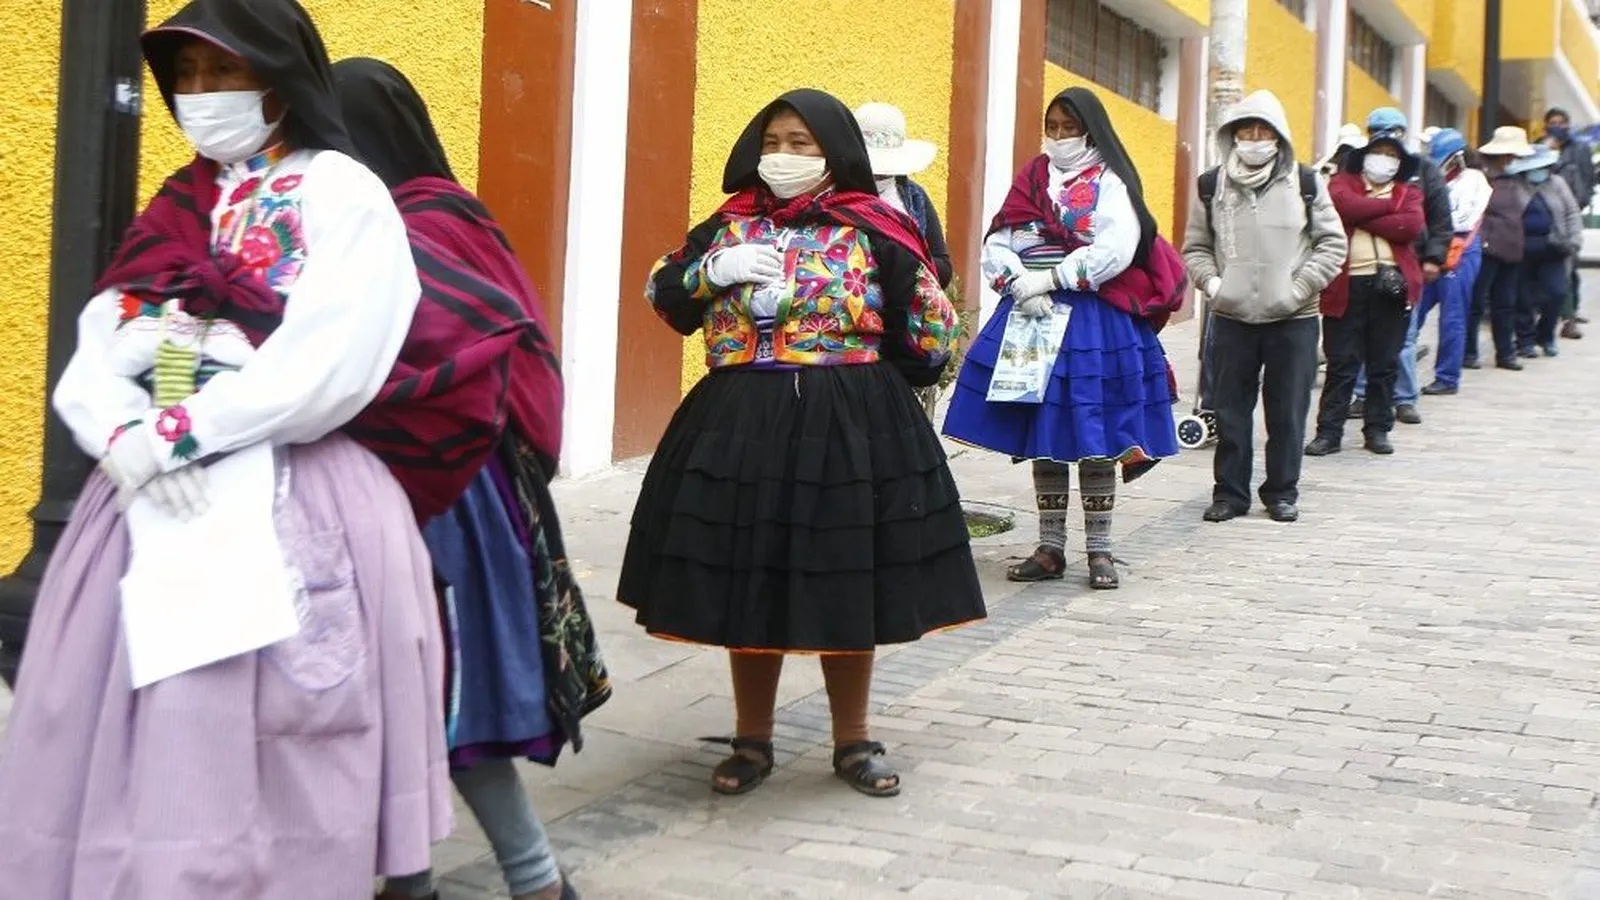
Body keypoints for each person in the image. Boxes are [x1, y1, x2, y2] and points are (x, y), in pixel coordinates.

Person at [0, 1, 481, 896]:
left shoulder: (341, 192)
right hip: (147, 494)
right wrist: (117, 430)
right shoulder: (182, 200)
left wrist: (182, 431)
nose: (201, 93)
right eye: (185, 75)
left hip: (300, 487)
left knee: (286, 718)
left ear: (280, 79)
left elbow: (330, 360)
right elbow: (100, 334)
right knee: (140, 707)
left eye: (224, 71)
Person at [619, 89, 985, 800]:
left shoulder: (875, 226)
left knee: (845, 574)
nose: (783, 156)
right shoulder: (727, 226)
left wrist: (868, 379)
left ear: (835, 152)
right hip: (741, 423)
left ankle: (853, 740)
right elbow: (665, 296)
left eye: (801, 144)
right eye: (773, 142)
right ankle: (751, 739)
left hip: (847, 424)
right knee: (748, 574)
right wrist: (710, 273)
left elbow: (931, 328)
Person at [334, 58, 598, 900]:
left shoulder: (423, 225)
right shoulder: (424, 216)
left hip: (448, 488)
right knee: (391, 695)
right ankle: (411, 884)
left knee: (441, 690)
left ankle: (534, 882)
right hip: (411, 484)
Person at [943, 86, 1184, 587]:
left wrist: (1052, 278)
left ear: (1090, 131)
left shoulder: (1110, 181)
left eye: (1068, 128)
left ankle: (1100, 551)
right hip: (1032, 317)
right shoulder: (1032, 177)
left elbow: (1117, 247)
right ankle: (1050, 547)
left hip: (1092, 317)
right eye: (1051, 127)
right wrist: (1016, 281)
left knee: (1096, 431)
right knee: (1046, 431)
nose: (1058, 136)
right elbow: (999, 238)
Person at [1181, 90, 1347, 524]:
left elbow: (1332, 244)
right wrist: (1214, 285)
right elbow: (1196, 248)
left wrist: (1299, 288)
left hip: (1294, 317)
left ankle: (1282, 491)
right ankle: (1229, 494)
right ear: (1233, 136)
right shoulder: (1211, 186)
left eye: (1263, 131)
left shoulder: (1306, 183)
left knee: (1287, 412)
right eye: (1247, 131)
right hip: (1232, 317)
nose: (1255, 140)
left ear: (1279, 137)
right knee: (1230, 413)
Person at [1306, 125, 1427, 457]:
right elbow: (1342, 206)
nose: (1384, 159)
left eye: (1391, 155)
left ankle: (1377, 429)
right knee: (1341, 362)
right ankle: (1329, 432)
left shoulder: (1408, 192)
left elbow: (1410, 226)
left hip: (1392, 287)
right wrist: (1387, 208)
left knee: (1384, 363)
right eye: (1379, 152)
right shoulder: (1342, 183)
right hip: (1347, 286)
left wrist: (1361, 215)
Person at [1348, 109, 1452, 427]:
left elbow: (1440, 218)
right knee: (1363, 335)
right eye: (1378, 131)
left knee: (1404, 337)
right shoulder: (1355, 168)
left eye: (1394, 131)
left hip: (1407, 262)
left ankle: (1404, 398)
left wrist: (1434, 257)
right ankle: (1363, 394)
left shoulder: (1423, 169)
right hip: (1362, 265)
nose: (1386, 138)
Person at [1412, 128, 1490, 396]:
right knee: (1413, 311)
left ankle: (1447, 377)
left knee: (1452, 317)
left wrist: (1431, 217)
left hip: (1460, 251)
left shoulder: (1474, 180)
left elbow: (1461, 220)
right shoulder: (1435, 178)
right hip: (1433, 248)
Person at [855, 102, 952, 287]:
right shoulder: (837, 197)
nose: (879, 174)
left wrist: (905, 262)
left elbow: (943, 268)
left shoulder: (914, 197)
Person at [1470, 126, 1539, 371]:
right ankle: (1469, 352)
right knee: (1476, 303)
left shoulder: (1519, 180)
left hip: (1511, 248)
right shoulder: (1481, 176)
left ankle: (1505, 353)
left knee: (1505, 303)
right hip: (1486, 248)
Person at [1507, 146, 1584, 359]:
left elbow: (1572, 213)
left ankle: (1546, 335)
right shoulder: (1515, 184)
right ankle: (1525, 341)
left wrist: (1574, 241)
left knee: (1556, 293)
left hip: (1554, 248)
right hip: (1521, 250)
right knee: (1523, 298)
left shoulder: (1557, 184)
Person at [1542, 107, 1593, 339]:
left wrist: (1579, 203)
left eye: (1561, 122)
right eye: (1552, 122)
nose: (1557, 126)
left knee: (1568, 267)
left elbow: (1587, 178)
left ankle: (1569, 316)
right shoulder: (1540, 146)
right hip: (1543, 213)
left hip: (1569, 213)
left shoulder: (1579, 149)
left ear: (1568, 124)